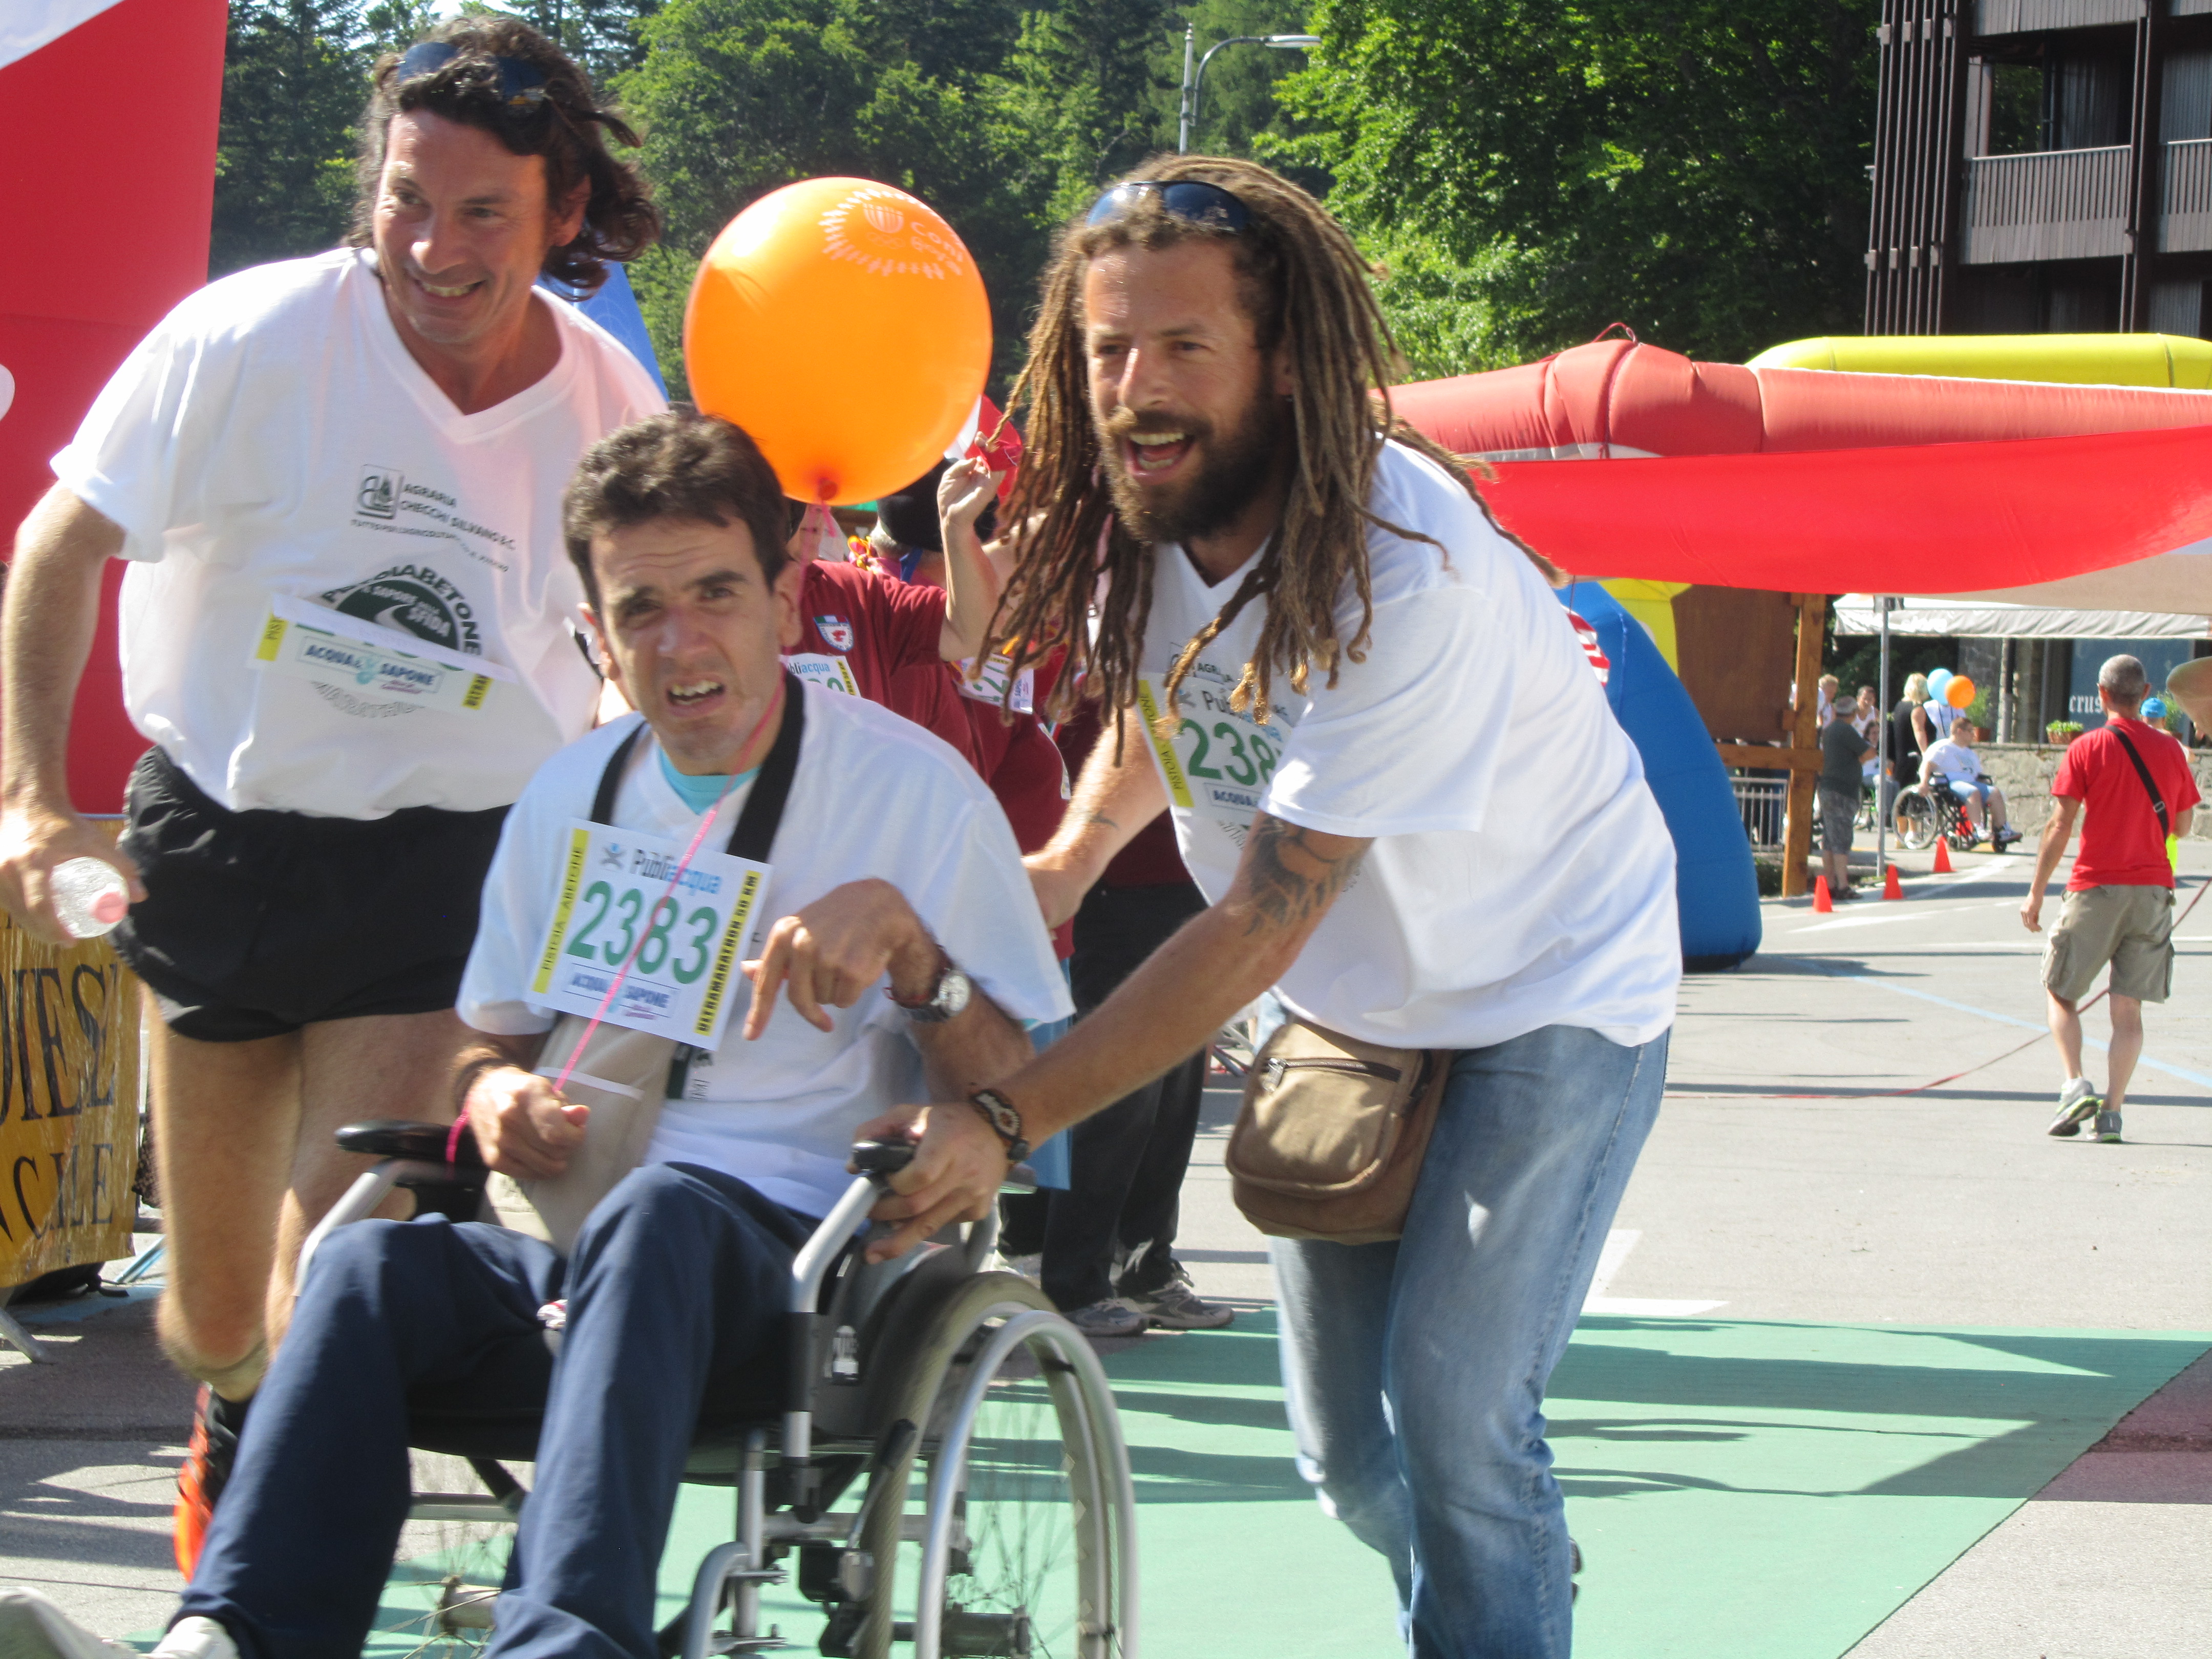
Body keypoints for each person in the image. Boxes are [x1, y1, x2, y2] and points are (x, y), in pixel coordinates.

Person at [0, 411, 1067, 1659]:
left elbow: (1026, 1095)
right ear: (595, 633)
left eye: (716, 594)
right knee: (363, 1265)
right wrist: (491, 1091)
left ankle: (564, 1641)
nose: (680, 641)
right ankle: (238, 1633)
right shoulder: (571, 793)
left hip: (811, 1270)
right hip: (586, 1253)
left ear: (785, 600)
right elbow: (482, 1039)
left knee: (658, 1213)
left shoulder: (916, 792)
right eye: (639, 608)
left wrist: (918, 958)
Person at [859, 157, 1679, 1657]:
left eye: (1184, 345)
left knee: (1456, 1417)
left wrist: (1005, 1119)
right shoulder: (1142, 514)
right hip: (1358, 1006)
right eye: (1111, 347)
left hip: (1552, 984)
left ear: (1285, 360)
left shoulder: (1404, 570)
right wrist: (1070, 858)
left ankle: (1501, 1579)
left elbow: (1256, 922)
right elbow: (1168, 703)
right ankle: (1512, 1570)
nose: (1136, 388)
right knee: (1350, 1464)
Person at [0, 17, 665, 1569]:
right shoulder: (250, 336)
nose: (434, 248)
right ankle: (232, 1429)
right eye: (405, 200)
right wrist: (32, 800)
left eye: (483, 211)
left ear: (563, 211)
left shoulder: (606, 400)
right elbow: (56, 550)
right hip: (218, 847)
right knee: (215, 1318)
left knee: (332, 1274)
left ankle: (258, 1591)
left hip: (448, 872)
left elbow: (646, 640)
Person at [2023, 655, 2199, 1144]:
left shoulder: (2086, 748)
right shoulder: (2170, 751)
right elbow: (2184, 826)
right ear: (2145, 694)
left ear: (2102, 694)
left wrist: (2036, 892)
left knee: (2061, 990)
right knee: (2128, 1011)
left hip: (2096, 885)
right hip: (2152, 893)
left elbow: (2059, 826)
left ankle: (2075, 1084)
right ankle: (2113, 1115)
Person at [1920, 720, 2018, 846]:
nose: (1974, 734)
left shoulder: (1969, 753)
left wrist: (1987, 786)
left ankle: (2002, 830)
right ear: (1960, 731)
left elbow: (1978, 775)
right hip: (1949, 783)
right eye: (1971, 731)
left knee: (1995, 793)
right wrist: (1924, 783)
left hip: (1971, 782)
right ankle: (1978, 829)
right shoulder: (1942, 747)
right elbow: (1927, 766)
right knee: (1973, 791)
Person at [1817, 699, 1876, 898]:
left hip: (1828, 788)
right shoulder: (1846, 730)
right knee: (1842, 839)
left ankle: (1830, 883)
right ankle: (1843, 886)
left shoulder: (1830, 730)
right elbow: (1869, 752)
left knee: (1830, 839)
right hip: (1842, 791)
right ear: (1853, 712)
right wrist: (1861, 758)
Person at [1890, 672, 1935, 804]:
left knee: (1902, 798)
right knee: (1915, 797)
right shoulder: (1917, 708)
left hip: (1901, 756)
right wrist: (1926, 754)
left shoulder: (1899, 706)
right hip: (1914, 757)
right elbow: (1919, 731)